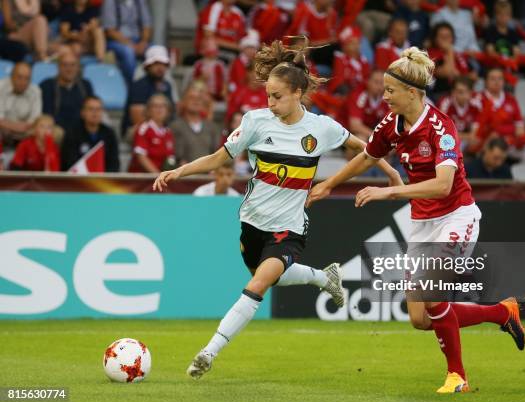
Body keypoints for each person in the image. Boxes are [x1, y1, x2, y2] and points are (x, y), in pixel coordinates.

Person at [152, 38, 402, 379]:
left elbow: (366, 146)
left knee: (260, 284)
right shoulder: (255, 122)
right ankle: (323, 277)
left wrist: (388, 170)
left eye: (277, 96)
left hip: (289, 228)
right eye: (267, 95)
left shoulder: (321, 128)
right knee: (269, 276)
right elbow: (219, 158)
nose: (270, 103)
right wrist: (179, 171)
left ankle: (208, 353)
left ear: (298, 93)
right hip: (251, 222)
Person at [307, 46, 525, 393]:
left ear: (412, 92)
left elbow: (443, 186)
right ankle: (503, 313)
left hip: (456, 217)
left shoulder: (442, 127)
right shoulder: (391, 125)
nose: (385, 96)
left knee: (432, 293)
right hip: (423, 223)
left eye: (390, 90)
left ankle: (458, 376)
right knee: (420, 319)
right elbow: (366, 157)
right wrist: (328, 185)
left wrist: (387, 192)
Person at [123, 45, 174, 135]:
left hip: (161, 129)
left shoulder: (167, 86)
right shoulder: (139, 86)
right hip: (138, 130)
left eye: (163, 64)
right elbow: (137, 119)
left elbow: (170, 113)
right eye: (156, 64)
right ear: (147, 66)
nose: (160, 68)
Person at [61, 96, 120, 172]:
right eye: (91, 109)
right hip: (77, 180)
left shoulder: (109, 134)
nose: (95, 113)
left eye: (98, 109)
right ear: (82, 112)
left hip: (103, 181)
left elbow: (114, 164)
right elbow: (69, 163)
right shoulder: (72, 133)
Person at [40, 50, 94, 132]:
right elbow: (47, 115)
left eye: (73, 65)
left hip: (82, 129)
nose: (69, 69)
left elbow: (90, 110)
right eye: (65, 65)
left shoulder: (86, 85)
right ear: (58, 67)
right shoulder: (47, 85)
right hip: (57, 128)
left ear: (78, 67)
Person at [102, 0, 152, 82]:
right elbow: (110, 30)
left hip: (138, 40)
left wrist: (143, 42)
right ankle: (130, 86)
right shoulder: (110, 2)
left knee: (156, 50)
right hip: (117, 41)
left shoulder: (140, 2)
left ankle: (152, 87)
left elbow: (147, 25)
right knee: (128, 52)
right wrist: (131, 45)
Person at [170, 84, 220, 165]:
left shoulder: (212, 127)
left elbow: (216, 153)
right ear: (184, 101)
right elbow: (175, 156)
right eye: (192, 98)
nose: (196, 101)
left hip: (208, 174)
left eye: (199, 99)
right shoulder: (175, 126)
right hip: (183, 174)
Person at [128, 94, 175, 173]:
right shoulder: (143, 128)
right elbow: (141, 156)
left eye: (163, 106)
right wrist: (158, 176)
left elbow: (169, 159)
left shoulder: (168, 132)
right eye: (155, 106)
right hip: (141, 179)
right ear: (149, 110)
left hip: (159, 180)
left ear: (168, 111)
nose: (159, 109)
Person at [0, 62, 41, 145]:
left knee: (43, 130)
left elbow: (35, 119)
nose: (23, 82)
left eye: (27, 78)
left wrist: (23, 127)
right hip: (3, 129)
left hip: (26, 130)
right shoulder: (1, 87)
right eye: (19, 77)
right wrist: (15, 127)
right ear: (11, 77)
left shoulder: (35, 91)